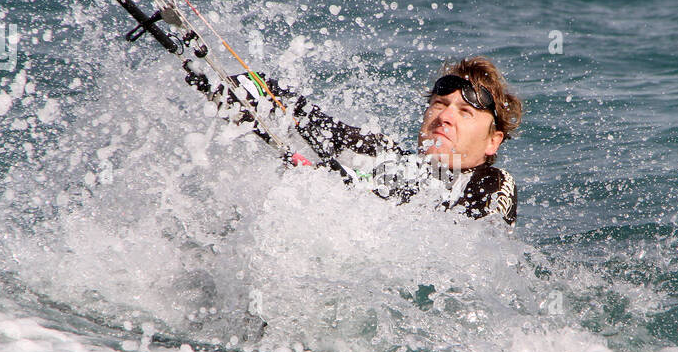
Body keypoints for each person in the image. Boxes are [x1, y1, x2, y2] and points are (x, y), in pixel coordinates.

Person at [183, 55, 522, 225]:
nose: (445, 117)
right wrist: (248, 89)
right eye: (439, 104)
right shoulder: (387, 158)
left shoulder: (493, 183)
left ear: (493, 141)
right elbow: (309, 120)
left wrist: (348, 186)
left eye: (465, 112)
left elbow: (458, 238)